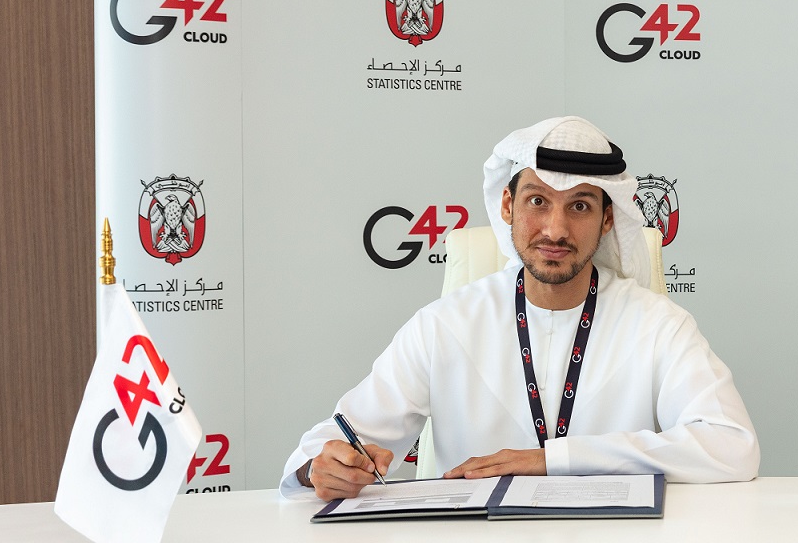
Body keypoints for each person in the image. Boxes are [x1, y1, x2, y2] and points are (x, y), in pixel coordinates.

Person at [281, 116, 758, 499]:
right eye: (537, 201)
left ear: (608, 218)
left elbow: (732, 445)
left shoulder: (657, 325)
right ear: (507, 205)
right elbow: (330, 443)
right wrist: (320, 468)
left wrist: (552, 461)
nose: (555, 230)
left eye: (579, 206)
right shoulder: (444, 325)